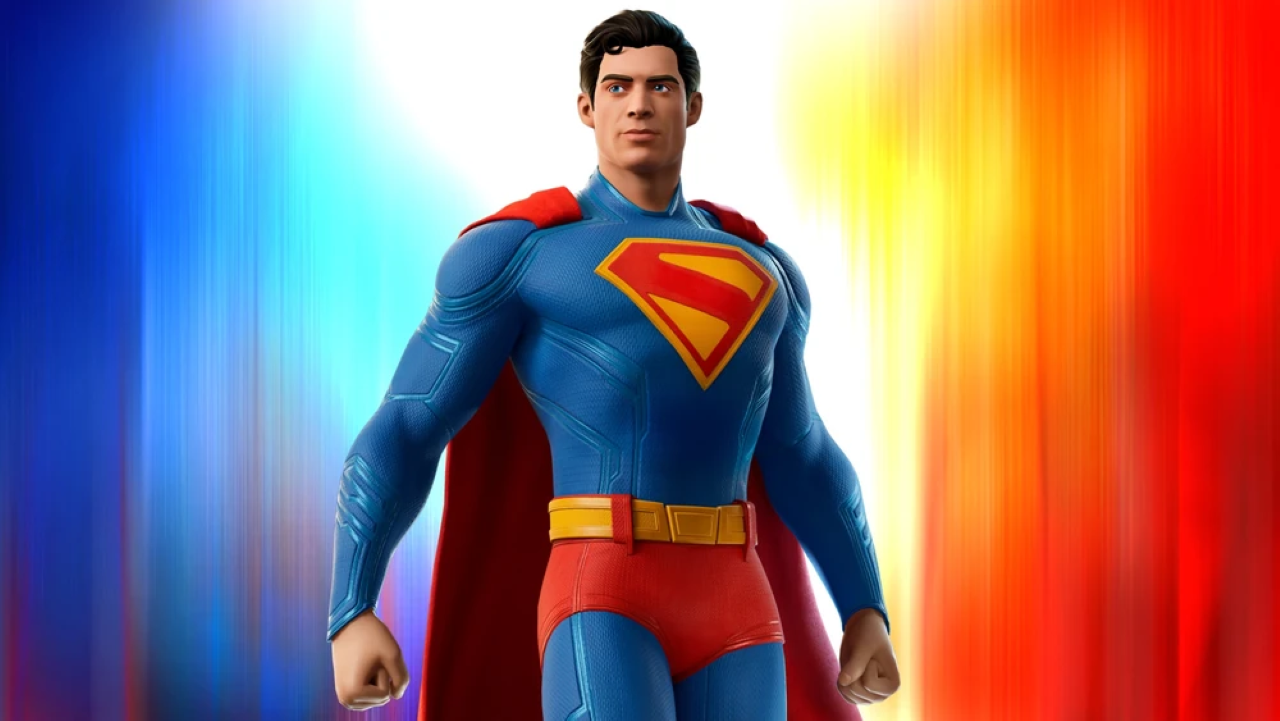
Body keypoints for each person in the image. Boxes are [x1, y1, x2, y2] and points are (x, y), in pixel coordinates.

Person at [327, 9, 900, 719]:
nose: (638, 104)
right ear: (586, 107)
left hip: (739, 595)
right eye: (617, 85)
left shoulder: (764, 269)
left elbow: (802, 451)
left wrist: (864, 606)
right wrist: (351, 606)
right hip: (603, 589)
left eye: (660, 86)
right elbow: (408, 425)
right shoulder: (520, 253)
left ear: (693, 106)